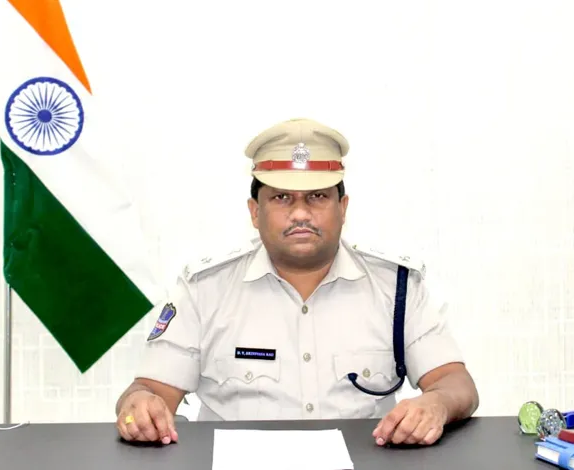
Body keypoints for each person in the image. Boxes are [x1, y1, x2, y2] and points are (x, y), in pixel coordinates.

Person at [115, 118, 479, 447]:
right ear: (255, 211)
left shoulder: (396, 287)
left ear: (343, 207)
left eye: (317, 197)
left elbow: (455, 383)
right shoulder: (204, 290)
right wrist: (141, 406)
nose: (301, 213)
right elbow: (149, 390)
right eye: (282, 197)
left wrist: (436, 404)